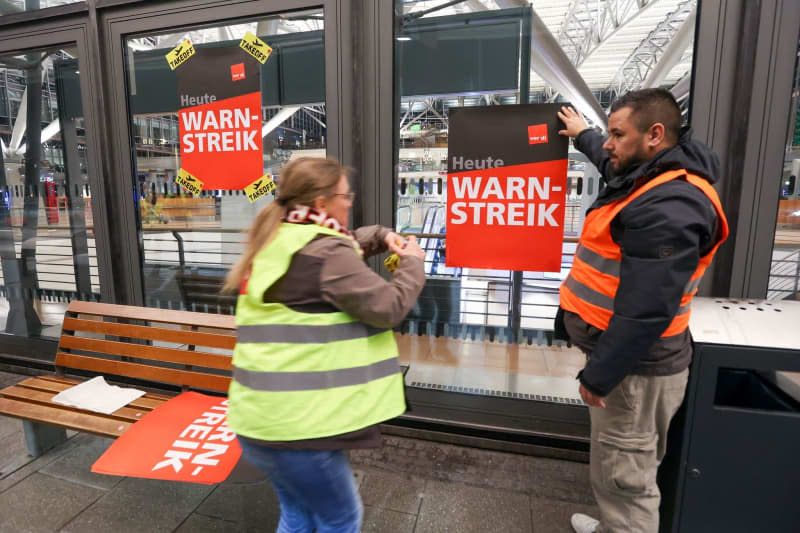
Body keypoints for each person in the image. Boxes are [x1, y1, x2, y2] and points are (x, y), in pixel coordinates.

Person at [555, 89, 729, 533]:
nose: (608, 145)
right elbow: (612, 159)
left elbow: (646, 308)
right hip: (635, 366)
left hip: (635, 371)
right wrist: (584, 135)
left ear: (655, 135)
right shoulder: (654, 174)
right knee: (623, 467)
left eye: (617, 134)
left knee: (626, 482)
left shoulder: (670, 206)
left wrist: (601, 375)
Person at [223, 157, 426, 533]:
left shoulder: (280, 235)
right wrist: (412, 263)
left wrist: (380, 236)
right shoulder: (325, 253)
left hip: (258, 422)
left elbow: (332, 254)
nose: (350, 203)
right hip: (301, 429)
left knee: (298, 515)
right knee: (341, 518)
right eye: (345, 197)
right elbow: (388, 307)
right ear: (320, 203)